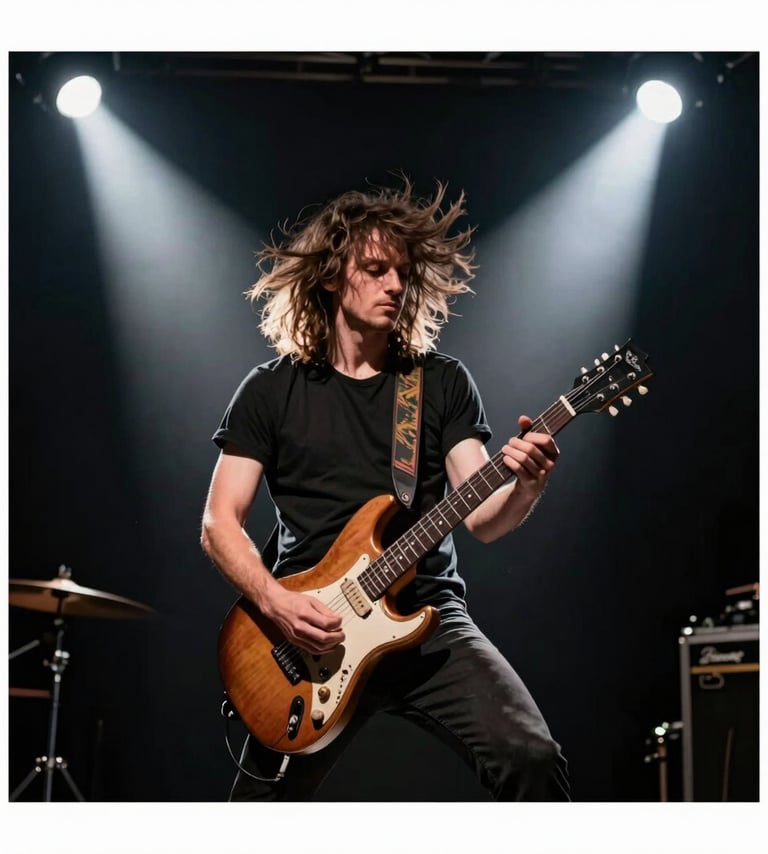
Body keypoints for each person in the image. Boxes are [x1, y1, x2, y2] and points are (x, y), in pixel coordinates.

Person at [200, 177, 570, 801]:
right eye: (375, 269)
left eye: (402, 272)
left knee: (530, 757)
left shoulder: (439, 382)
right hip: (304, 630)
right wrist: (277, 603)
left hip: (427, 621)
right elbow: (219, 523)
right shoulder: (269, 391)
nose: (395, 285)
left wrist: (527, 487)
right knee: (260, 811)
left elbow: (480, 519)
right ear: (328, 277)